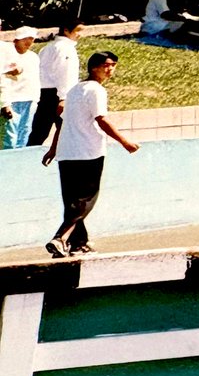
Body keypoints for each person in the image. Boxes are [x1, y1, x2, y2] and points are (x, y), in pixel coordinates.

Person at [40, 51, 139, 258]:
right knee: (86, 200)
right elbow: (101, 120)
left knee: (73, 200)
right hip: (88, 152)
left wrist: (54, 149)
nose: (110, 69)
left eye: (113, 65)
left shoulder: (75, 90)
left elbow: (62, 122)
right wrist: (125, 142)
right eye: (107, 65)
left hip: (68, 154)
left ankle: (78, 244)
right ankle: (60, 238)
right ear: (94, 67)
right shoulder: (96, 91)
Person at [28, 17, 83, 147]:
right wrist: (64, 98)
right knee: (67, 132)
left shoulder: (49, 47)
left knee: (39, 131)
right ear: (66, 30)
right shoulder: (65, 49)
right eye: (78, 30)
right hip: (57, 95)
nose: (80, 34)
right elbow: (65, 74)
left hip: (44, 93)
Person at [0, 26, 41, 150]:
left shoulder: (34, 57)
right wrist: (4, 103)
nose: (28, 42)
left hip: (29, 100)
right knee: (9, 139)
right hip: (12, 101)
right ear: (16, 40)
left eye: (31, 39)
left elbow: (35, 81)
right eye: (24, 39)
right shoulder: (6, 53)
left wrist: (35, 99)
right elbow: (3, 80)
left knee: (24, 136)